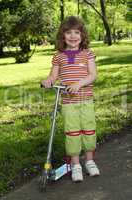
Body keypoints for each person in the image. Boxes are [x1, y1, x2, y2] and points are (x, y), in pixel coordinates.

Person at [41, 16, 100, 182]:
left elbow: (93, 75)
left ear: (82, 35)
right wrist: (48, 81)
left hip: (86, 100)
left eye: (77, 32)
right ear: (62, 35)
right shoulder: (59, 56)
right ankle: (75, 164)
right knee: (72, 132)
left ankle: (89, 161)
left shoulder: (87, 54)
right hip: (68, 103)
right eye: (68, 32)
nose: (73, 36)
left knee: (88, 130)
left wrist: (79, 84)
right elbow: (53, 75)